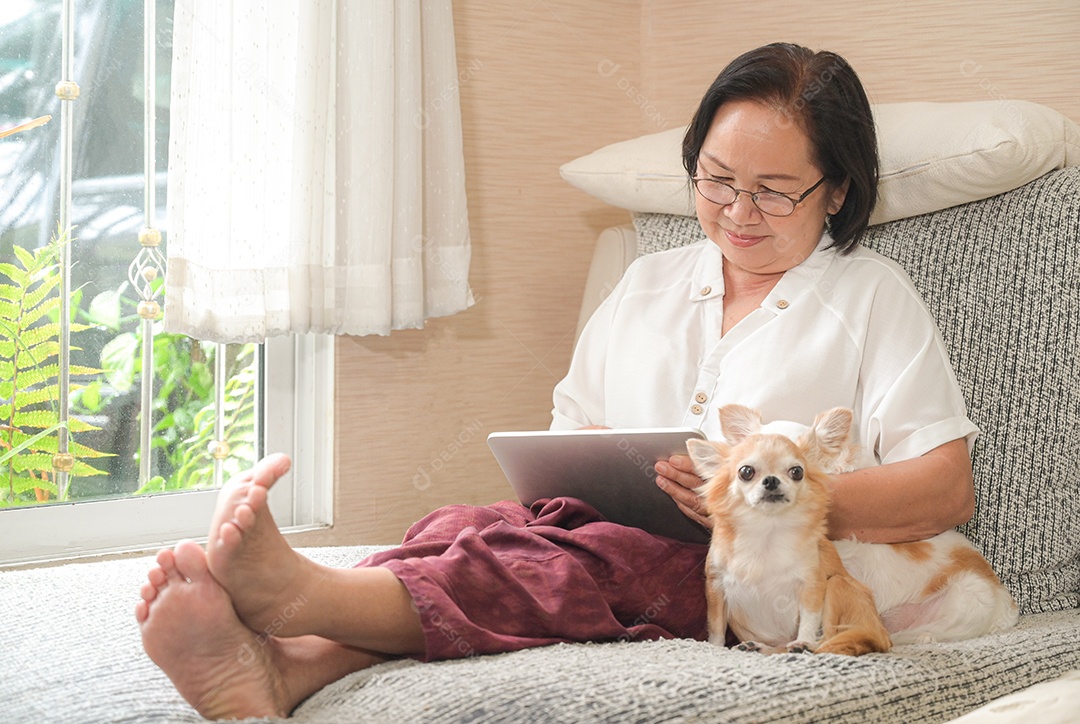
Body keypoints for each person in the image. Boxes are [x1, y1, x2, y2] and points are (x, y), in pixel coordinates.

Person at [135, 42, 978, 720]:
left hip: (762, 571)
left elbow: (946, 488)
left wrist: (762, 495)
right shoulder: (650, 279)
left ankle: (298, 595)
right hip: (606, 525)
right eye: (717, 180)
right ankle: (287, 670)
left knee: (584, 562)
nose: (737, 212)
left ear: (834, 192)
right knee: (469, 526)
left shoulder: (871, 295)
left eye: (773, 191)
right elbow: (570, 431)